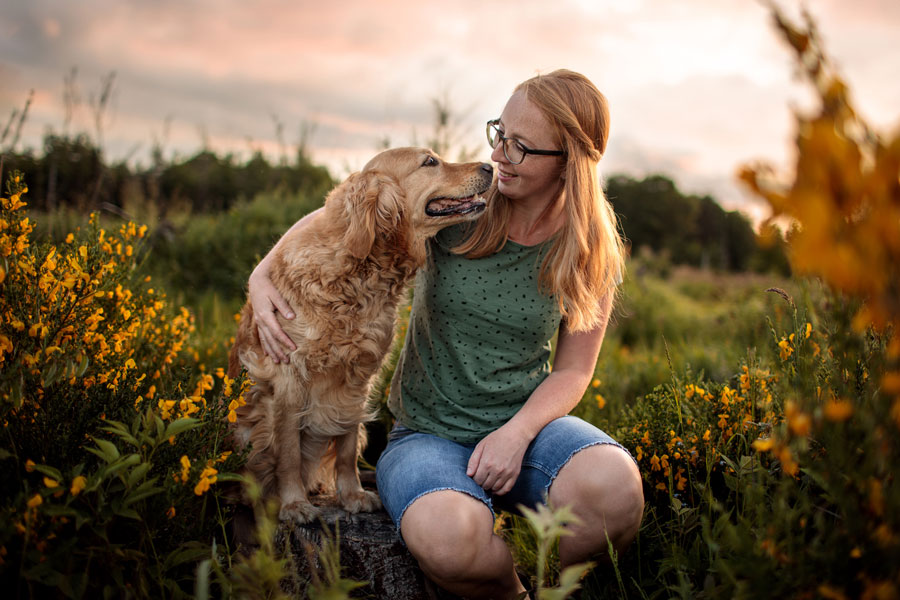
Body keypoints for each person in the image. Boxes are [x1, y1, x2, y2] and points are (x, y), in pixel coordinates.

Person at [248, 69, 644, 599]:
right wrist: (260, 275)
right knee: (447, 540)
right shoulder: (462, 205)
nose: (500, 155)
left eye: (521, 147)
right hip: (427, 435)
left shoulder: (589, 248)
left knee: (616, 492)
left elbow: (575, 369)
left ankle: (557, 588)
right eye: (499, 133)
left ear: (568, 163)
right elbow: (338, 216)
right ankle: (511, 592)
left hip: (527, 433)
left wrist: (516, 433)